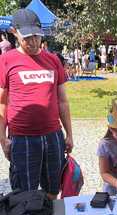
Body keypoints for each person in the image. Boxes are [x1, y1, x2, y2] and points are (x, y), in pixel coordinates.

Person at [0, 9, 73, 200]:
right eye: (27, 37)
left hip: (52, 135)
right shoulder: (6, 60)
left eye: (36, 36)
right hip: (22, 137)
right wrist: (3, 139)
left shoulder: (53, 60)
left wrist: (69, 134)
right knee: (24, 195)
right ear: (14, 32)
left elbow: (63, 101)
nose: (33, 42)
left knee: (53, 189)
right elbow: (2, 103)